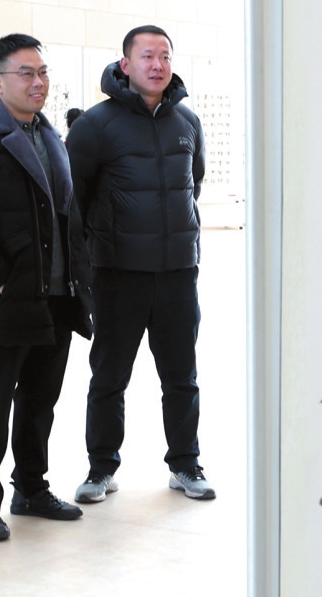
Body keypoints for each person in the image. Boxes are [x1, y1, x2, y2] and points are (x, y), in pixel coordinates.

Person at [0, 35, 91, 540]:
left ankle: (31, 488)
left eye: (42, 72)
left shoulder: (52, 139)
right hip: (5, 301)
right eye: (26, 73)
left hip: (57, 297)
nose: (38, 82)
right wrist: (2, 276)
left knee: (40, 402)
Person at [68, 24, 213, 502]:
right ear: (125, 64)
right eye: (147, 56)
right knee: (109, 378)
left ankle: (186, 464)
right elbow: (75, 201)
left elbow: (193, 184)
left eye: (164, 56)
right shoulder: (95, 125)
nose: (157, 65)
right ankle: (101, 469)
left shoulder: (187, 123)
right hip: (118, 274)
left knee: (182, 378)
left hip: (178, 274)